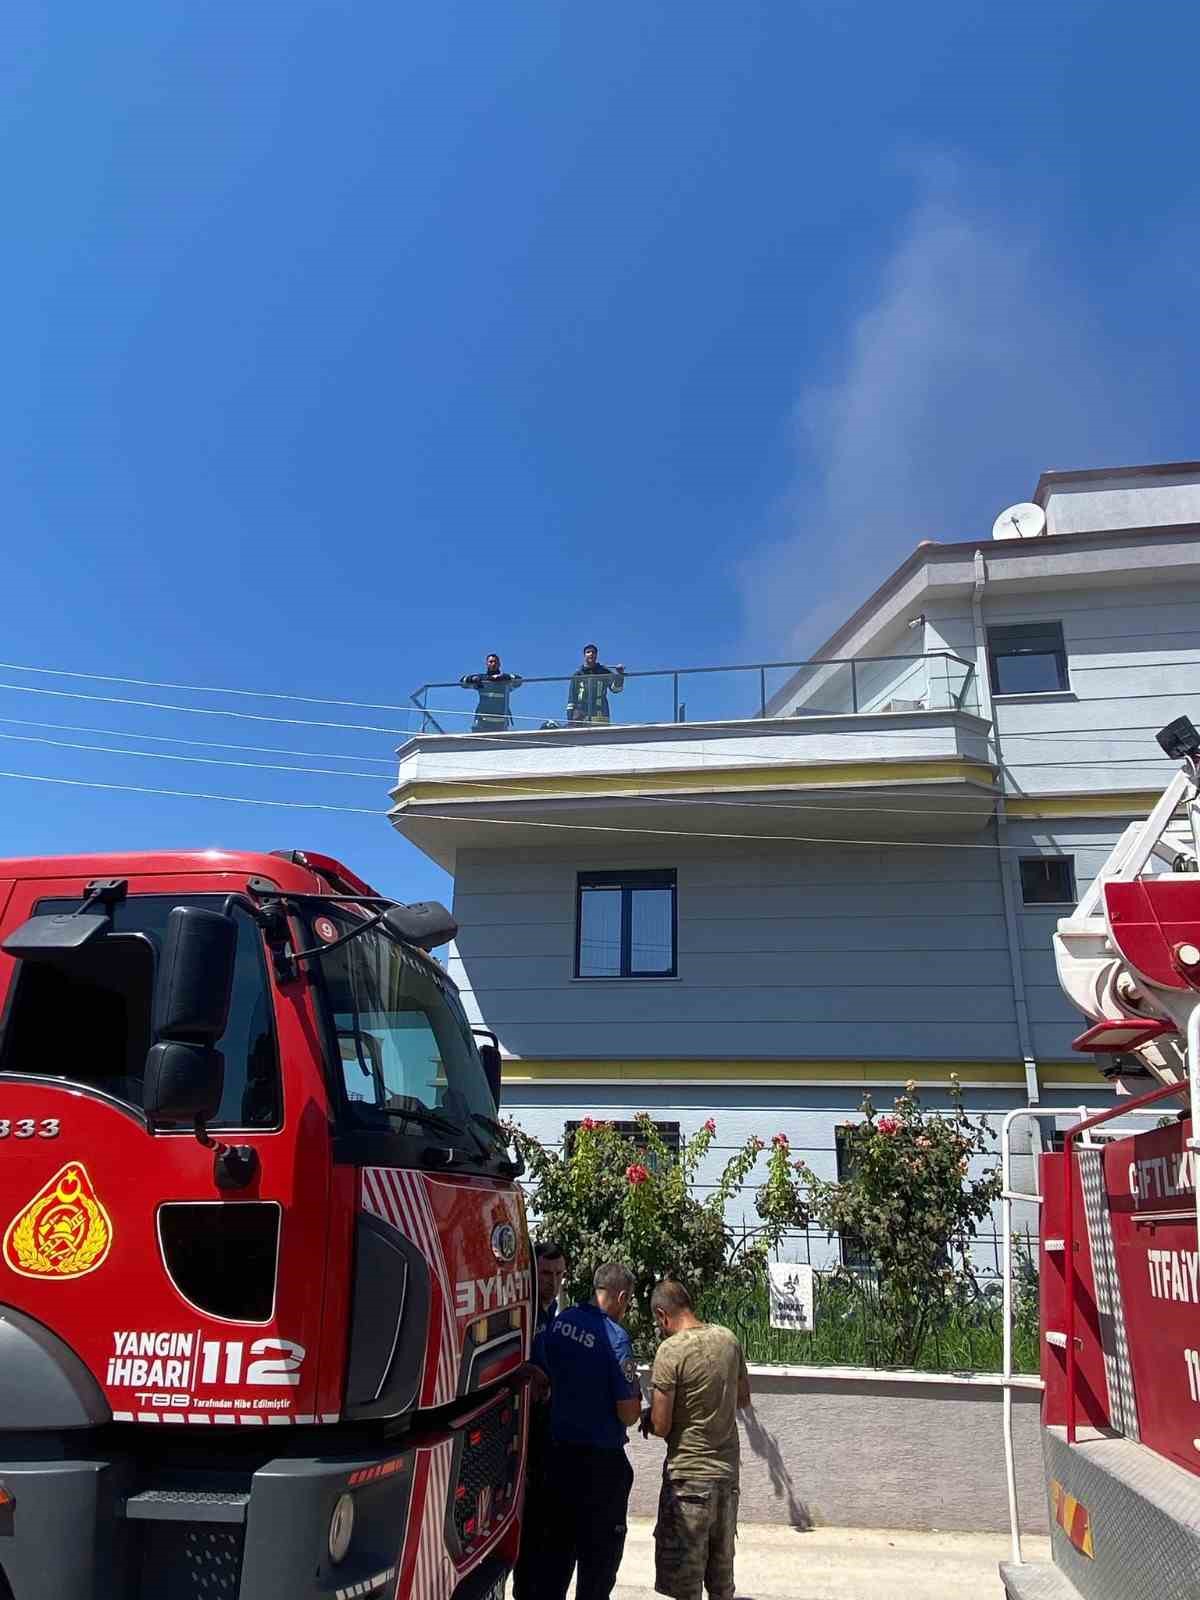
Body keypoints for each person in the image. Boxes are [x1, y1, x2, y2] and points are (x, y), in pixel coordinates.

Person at [532, 1262, 643, 1600]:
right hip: (599, 1470)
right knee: (597, 1565)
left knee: (554, 1560)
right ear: (621, 1297)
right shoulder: (615, 1337)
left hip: (557, 1458)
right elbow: (628, 1414)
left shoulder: (563, 1321)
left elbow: (542, 1375)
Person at [641, 1279, 751, 1600]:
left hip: (688, 1481)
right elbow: (743, 1398)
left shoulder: (671, 1351)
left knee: (685, 1587)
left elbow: (661, 1425)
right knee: (721, 1582)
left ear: (663, 1315)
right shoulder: (728, 1340)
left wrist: (649, 1417)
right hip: (726, 1478)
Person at [511, 1241, 569, 1600]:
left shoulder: (555, 1315)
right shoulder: (522, 1312)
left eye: (559, 1274)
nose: (553, 1281)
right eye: (546, 1273)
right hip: (521, 1432)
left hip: (548, 1430)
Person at [460, 653, 522, 731]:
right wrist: (472, 679)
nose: (493, 664)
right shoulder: (481, 679)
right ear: (487, 664)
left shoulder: (505, 681)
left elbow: (519, 681)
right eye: (491, 662)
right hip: (482, 721)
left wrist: (504, 677)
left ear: (499, 664)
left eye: (495, 662)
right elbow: (462, 682)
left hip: (501, 723)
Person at [566, 644, 625, 725]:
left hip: (600, 715)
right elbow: (571, 699)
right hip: (580, 718)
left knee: (600, 737)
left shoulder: (604, 671)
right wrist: (570, 719)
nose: (591, 654)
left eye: (593, 652)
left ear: (596, 655)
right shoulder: (577, 675)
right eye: (588, 652)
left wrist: (620, 675)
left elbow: (616, 689)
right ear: (584, 655)